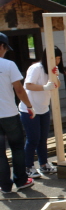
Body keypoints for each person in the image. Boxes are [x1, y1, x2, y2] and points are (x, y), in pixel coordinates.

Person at [19, 47, 63, 179]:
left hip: (44, 108)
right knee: (33, 139)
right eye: (55, 58)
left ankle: (44, 164)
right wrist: (44, 87)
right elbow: (28, 85)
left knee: (43, 139)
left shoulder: (52, 69)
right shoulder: (36, 68)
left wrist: (56, 76)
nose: (57, 61)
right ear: (47, 57)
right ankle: (28, 167)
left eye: (59, 58)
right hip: (30, 109)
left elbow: (57, 85)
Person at [0, 33, 35, 194]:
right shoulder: (8, 65)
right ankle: (20, 181)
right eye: (6, 48)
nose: (6, 51)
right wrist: (29, 106)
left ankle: (5, 186)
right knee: (17, 147)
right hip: (9, 113)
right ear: (2, 46)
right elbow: (19, 90)